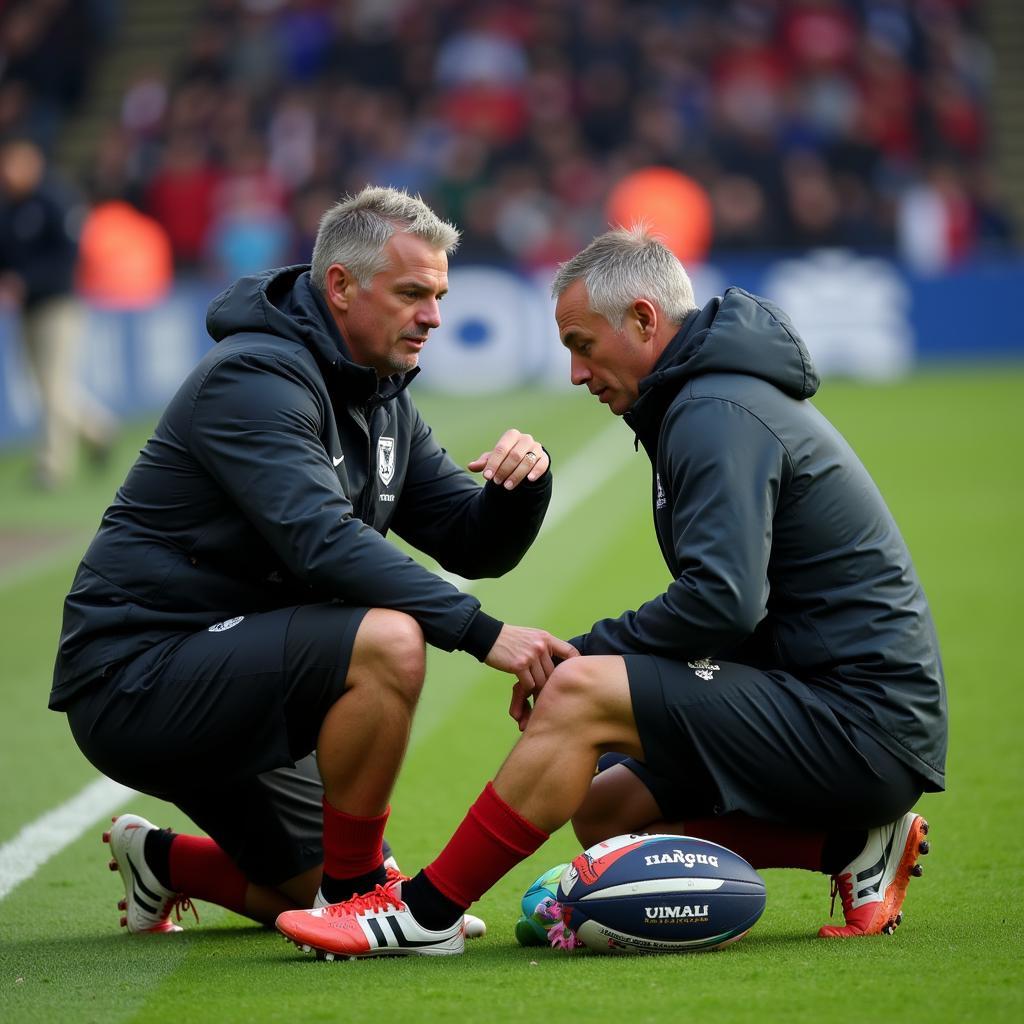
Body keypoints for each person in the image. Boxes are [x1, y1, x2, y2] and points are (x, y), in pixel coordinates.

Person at [276, 226, 946, 958]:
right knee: (605, 814)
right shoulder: (701, 400)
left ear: (644, 321)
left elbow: (723, 602)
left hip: (862, 726)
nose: (573, 372)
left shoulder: (714, 411)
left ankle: (424, 912)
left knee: (582, 693)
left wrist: (585, 658)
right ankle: (849, 846)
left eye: (581, 344)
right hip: (835, 705)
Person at [49, 185, 576, 937]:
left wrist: (524, 486)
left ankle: (163, 862)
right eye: (412, 294)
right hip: (137, 674)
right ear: (340, 286)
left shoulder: (381, 393)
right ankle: (362, 894)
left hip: (246, 666)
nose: (433, 315)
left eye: (439, 295)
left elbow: (470, 541)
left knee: (299, 896)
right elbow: (320, 540)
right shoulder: (253, 377)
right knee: (389, 640)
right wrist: (484, 633)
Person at [0, 138, 118, 488]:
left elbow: (68, 259)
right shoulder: (9, 207)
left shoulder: (55, 199)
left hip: (59, 306)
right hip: (27, 309)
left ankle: (52, 467)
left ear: (32, 162)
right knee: (45, 388)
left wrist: (25, 280)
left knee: (53, 385)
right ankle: (99, 430)